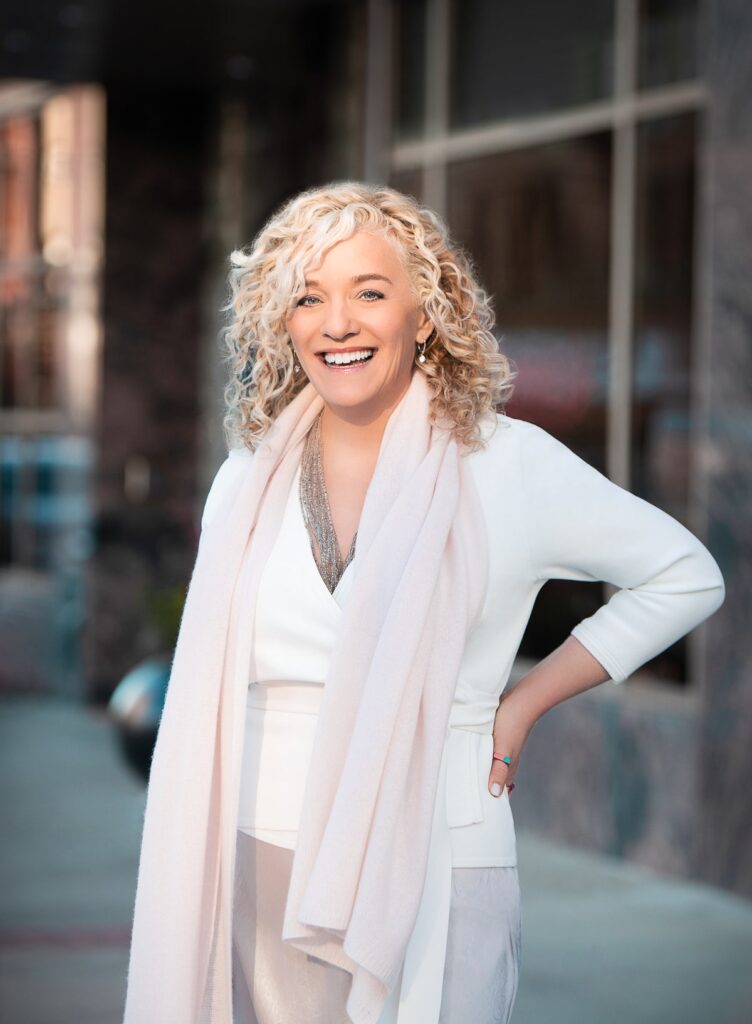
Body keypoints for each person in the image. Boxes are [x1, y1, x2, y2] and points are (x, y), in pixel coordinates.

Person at [122, 182, 726, 1024]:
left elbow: (685, 574)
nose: (338, 323)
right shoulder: (246, 479)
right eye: (309, 297)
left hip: (442, 847)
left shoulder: (506, 464)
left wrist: (523, 704)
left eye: (370, 293)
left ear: (427, 313)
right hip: (258, 850)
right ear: (283, 323)